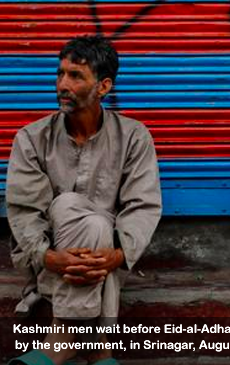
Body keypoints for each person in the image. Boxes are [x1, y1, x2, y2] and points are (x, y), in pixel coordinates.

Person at [6, 35, 161, 365]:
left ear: (103, 86)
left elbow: (142, 206)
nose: (63, 84)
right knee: (70, 209)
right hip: (53, 256)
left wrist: (117, 255)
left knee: (94, 222)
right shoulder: (32, 138)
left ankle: (60, 340)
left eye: (76, 76)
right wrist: (49, 258)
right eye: (60, 74)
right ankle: (98, 348)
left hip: (103, 258)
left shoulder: (133, 136)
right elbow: (25, 211)